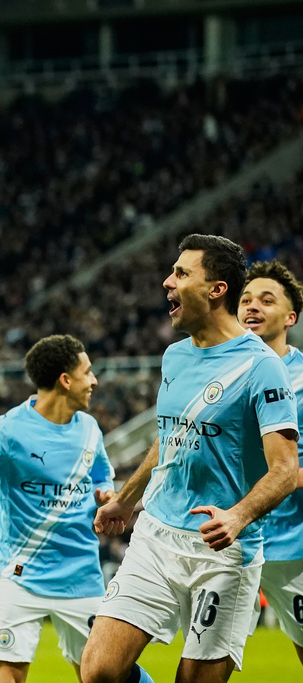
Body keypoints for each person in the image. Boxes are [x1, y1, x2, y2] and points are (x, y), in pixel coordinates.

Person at [82, 235, 300, 683]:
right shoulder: (174, 356)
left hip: (223, 550)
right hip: (157, 537)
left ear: (216, 289)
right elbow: (169, 440)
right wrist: (126, 500)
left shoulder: (262, 366)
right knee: (99, 671)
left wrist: (238, 516)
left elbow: (284, 468)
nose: (168, 282)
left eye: (181, 273)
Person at [0, 335, 153, 683]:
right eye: (88, 372)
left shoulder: (89, 428)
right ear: (65, 380)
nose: (94, 381)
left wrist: (106, 494)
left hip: (81, 577)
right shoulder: (4, 433)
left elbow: (101, 475)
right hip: (18, 577)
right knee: (7, 672)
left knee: (108, 674)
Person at [238, 260, 303, 666]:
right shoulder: (220, 370)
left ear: (291, 317)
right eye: (245, 299)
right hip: (227, 541)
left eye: (266, 299)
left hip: (292, 544)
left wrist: (285, 479)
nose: (252, 307)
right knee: (205, 657)